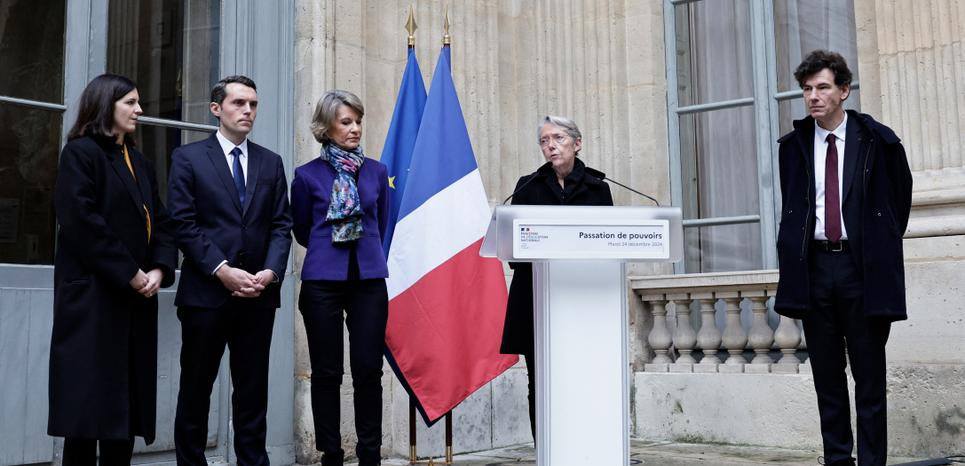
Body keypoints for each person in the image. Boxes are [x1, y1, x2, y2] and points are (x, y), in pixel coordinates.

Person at [775, 50, 912, 466]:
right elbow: (795, 208)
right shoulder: (794, 146)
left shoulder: (877, 140)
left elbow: (899, 201)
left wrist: (879, 242)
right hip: (815, 269)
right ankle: (838, 460)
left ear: (843, 91)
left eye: (822, 87)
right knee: (827, 378)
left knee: (869, 377)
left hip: (861, 269)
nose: (813, 96)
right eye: (806, 89)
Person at [48, 73, 178, 465]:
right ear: (107, 104)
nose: (140, 110)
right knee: (88, 415)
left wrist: (159, 268)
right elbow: (82, 223)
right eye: (131, 103)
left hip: (134, 302)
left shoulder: (139, 160)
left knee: (124, 415)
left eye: (139, 102)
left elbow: (162, 222)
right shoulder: (80, 154)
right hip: (93, 302)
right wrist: (131, 272)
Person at [167, 75, 292, 466]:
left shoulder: (271, 162)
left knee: (253, 391)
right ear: (216, 108)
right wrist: (221, 269)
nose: (248, 111)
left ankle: (252, 462)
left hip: (258, 295)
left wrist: (271, 271)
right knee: (196, 389)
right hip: (206, 295)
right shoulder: (187, 158)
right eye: (239, 103)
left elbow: (281, 225)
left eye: (253, 104)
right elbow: (183, 223)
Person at [290, 90, 389, 466]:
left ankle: (370, 454)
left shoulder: (377, 171)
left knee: (368, 369)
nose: (355, 129)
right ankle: (331, 453)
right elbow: (302, 228)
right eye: (346, 122)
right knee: (327, 372)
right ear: (326, 128)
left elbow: (382, 222)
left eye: (358, 121)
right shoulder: (306, 176)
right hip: (322, 283)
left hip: (369, 281)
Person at [499, 115, 614, 439]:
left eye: (559, 138)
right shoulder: (527, 186)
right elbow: (511, 248)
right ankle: (547, 450)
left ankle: (585, 446)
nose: (551, 146)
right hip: (535, 298)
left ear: (577, 144)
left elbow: (608, 243)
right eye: (545, 140)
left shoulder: (598, 189)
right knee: (541, 380)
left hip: (582, 298)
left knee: (582, 377)